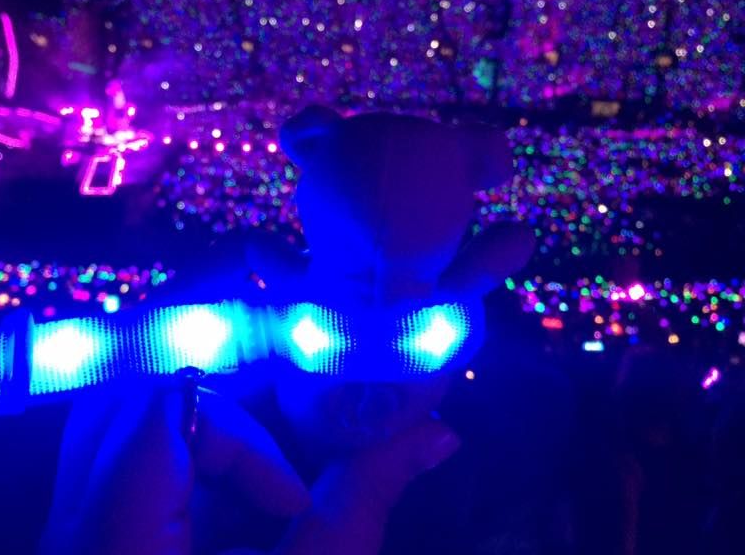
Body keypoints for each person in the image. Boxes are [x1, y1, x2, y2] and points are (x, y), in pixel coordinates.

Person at [41, 106, 534, 554]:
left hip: (288, 441)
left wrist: (165, 305)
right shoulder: (451, 304)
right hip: (326, 452)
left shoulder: (304, 294)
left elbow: (250, 249)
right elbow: (505, 252)